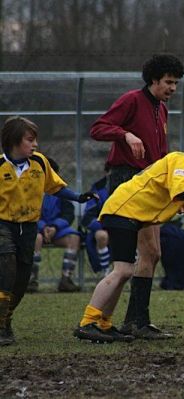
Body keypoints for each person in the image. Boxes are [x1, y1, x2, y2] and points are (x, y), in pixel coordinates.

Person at [72, 135, 184, 343]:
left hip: (131, 216)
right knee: (122, 270)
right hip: (123, 211)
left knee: (125, 271)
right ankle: (87, 323)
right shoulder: (183, 160)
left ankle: (104, 324)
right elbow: (181, 192)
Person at [90, 53, 184, 339]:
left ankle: (136, 319)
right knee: (139, 256)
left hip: (148, 184)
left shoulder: (162, 110)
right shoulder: (132, 100)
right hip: (127, 181)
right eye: (169, 82)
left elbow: (161, 158)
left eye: (176, 83)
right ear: (154, 80)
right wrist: (125, 135)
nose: (173, 89)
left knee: (153, 253)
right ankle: (121, 320)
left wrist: (172, 192)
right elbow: (98, 128)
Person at [0, 116, 96, 346]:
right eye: (30, 140)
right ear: (14, 141)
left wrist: (78, 197)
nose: (35, 145)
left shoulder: (40, 163)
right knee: (7, 266)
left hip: (29, 227)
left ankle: (6, 318)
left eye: (36, 140)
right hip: (3, 225)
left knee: (22, 279)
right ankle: (0, 327)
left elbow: (57, 188)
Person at [29, 158, 83, 293]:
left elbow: (68, 213)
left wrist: (54, 227)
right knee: (36, 239)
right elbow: (28, 212)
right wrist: (42, 227)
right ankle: (31, 280)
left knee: (74, 238)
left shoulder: (60, 190)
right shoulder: (30, 189)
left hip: (57, 230)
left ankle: (66, 279)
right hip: (36, 229)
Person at [80, 167, 111, 279]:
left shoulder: (126, 187)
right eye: (110, 170)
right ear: (106, 172)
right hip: (102, 226)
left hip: (121, 225)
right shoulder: (97, 189)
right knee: (101, 235)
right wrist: (104, 225)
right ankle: (105, 270)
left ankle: (134, 272)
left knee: (135, 234)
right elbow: (88, 215)